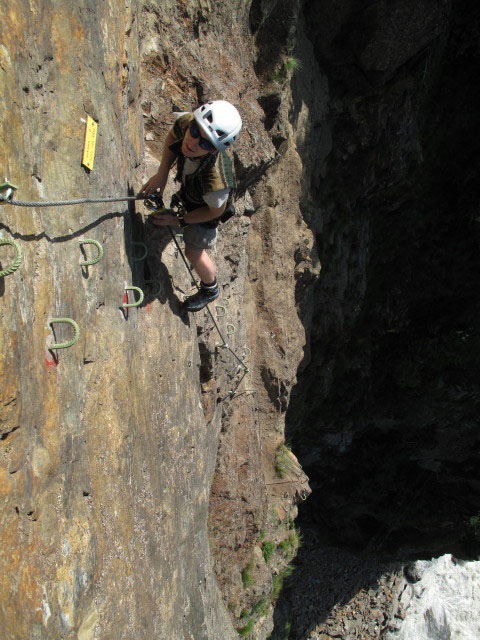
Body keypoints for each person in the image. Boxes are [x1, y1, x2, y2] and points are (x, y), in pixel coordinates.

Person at [140, 100, 242, 312]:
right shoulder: (188, 122)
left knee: (193, 252)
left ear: (214, 151)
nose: (193, 142)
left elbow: (214, 211)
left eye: (205, 144)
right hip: (192, 193)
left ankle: (210, 288)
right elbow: (172, 137)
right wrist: (162, 174)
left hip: (206, 211)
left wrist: (178, 221)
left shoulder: (217, 183)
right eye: (195, 131)